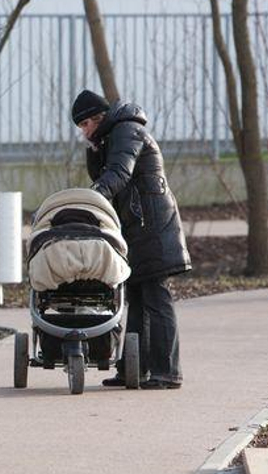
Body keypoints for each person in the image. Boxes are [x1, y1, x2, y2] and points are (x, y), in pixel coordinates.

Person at [71, 90, 191, 389]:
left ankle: (167, 372)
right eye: (80, 127)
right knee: (136, 298)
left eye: (85, 124)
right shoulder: (106, 140)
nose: (84, 132)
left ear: (98, 118)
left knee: (156, 297)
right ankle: (133, 370)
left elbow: (119, 174)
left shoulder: (128, 131)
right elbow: (108, 176)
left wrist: (89, 198)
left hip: (152, 225)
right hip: (135, 227)